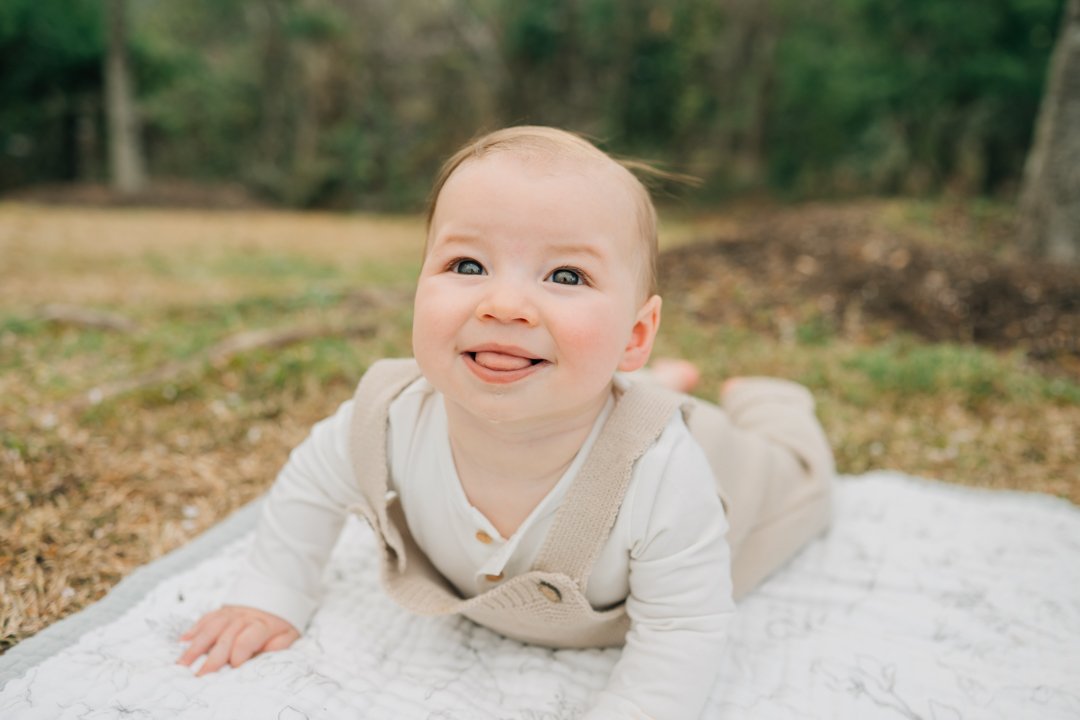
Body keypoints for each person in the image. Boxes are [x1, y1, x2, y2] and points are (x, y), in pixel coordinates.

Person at [176, 126, 834, 719]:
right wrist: (272, 591)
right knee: (574, 377)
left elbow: (685, 629)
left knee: (803, 472)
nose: (505, 303)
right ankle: (658, 382)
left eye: (566, 275)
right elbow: (310, 485)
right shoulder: (386, 421)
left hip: (747, 487)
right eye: (468, 266)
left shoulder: (665, 475)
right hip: (605, 388)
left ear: (635, 334)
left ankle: (771, 399)